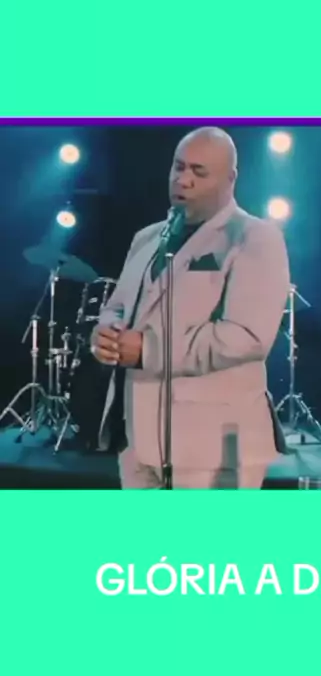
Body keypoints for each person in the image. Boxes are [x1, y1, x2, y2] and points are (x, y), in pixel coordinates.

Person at [91, 127, 290, 489]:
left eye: (199, 172)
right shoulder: (147, 238)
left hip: (212, 451)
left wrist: (147, 350)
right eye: (178, 167)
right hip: (135, 440)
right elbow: (118, 306)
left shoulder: (255, 237)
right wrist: (106, 332)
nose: (183, 180)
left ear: (230, 179)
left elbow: (246, 337)